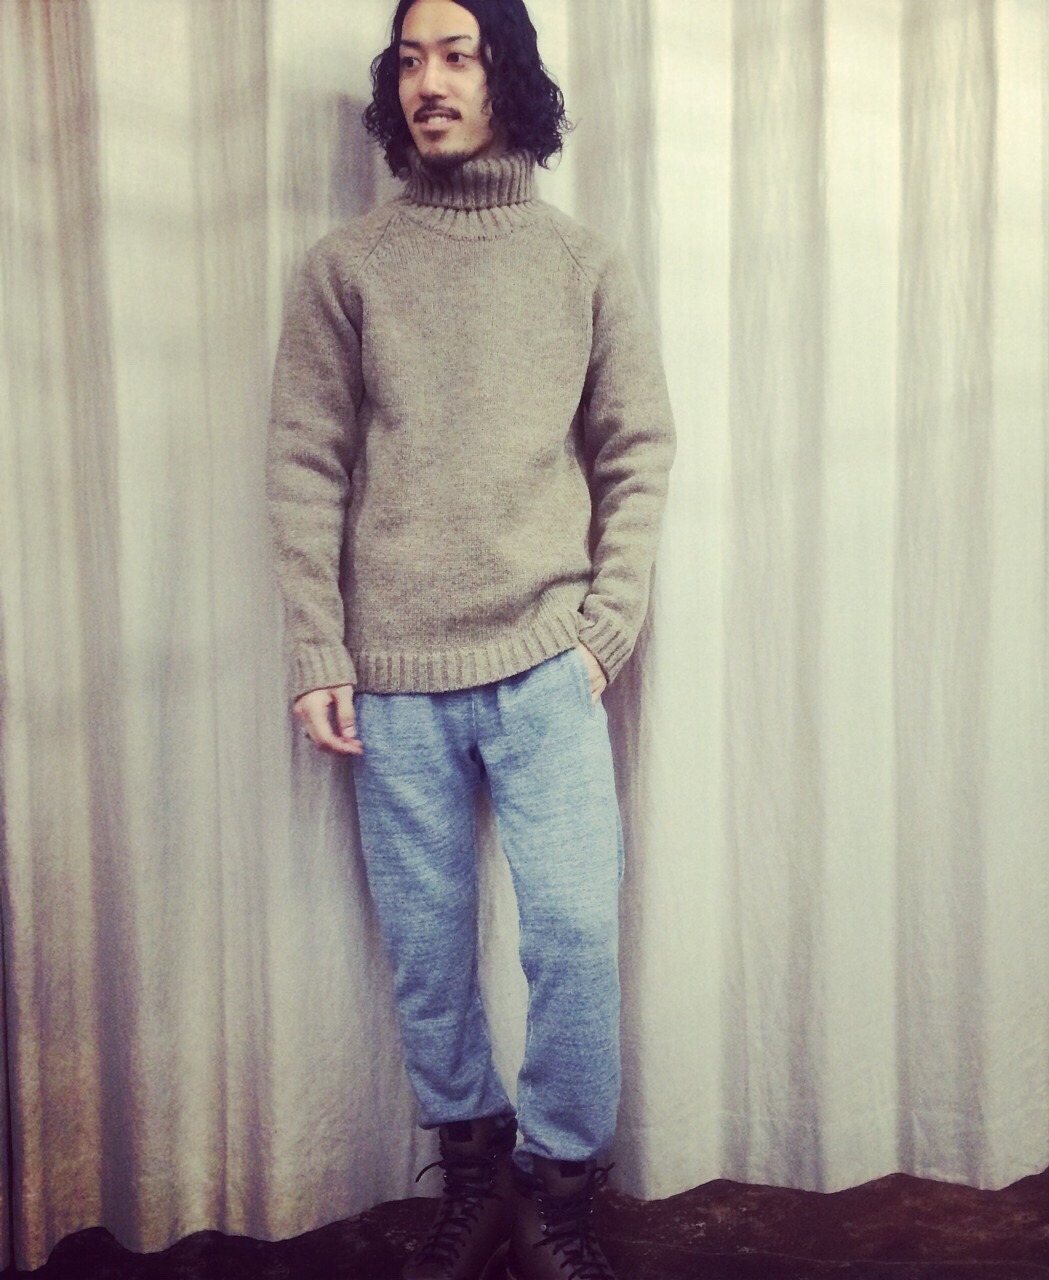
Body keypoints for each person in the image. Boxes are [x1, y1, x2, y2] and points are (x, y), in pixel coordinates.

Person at [267, 0, 674, 1276]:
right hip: (391, 677)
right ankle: (478, 1176)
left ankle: (559, 1192)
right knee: (428, 955)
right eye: (408, 60)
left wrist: (604, 627)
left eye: (456, 54)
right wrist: (320, 649)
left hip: (547, 662)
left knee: (574, 936)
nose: (428, 81)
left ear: (507, 73)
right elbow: (304, 464)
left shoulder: (582, 264)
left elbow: (636, 451)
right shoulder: (347, 266)